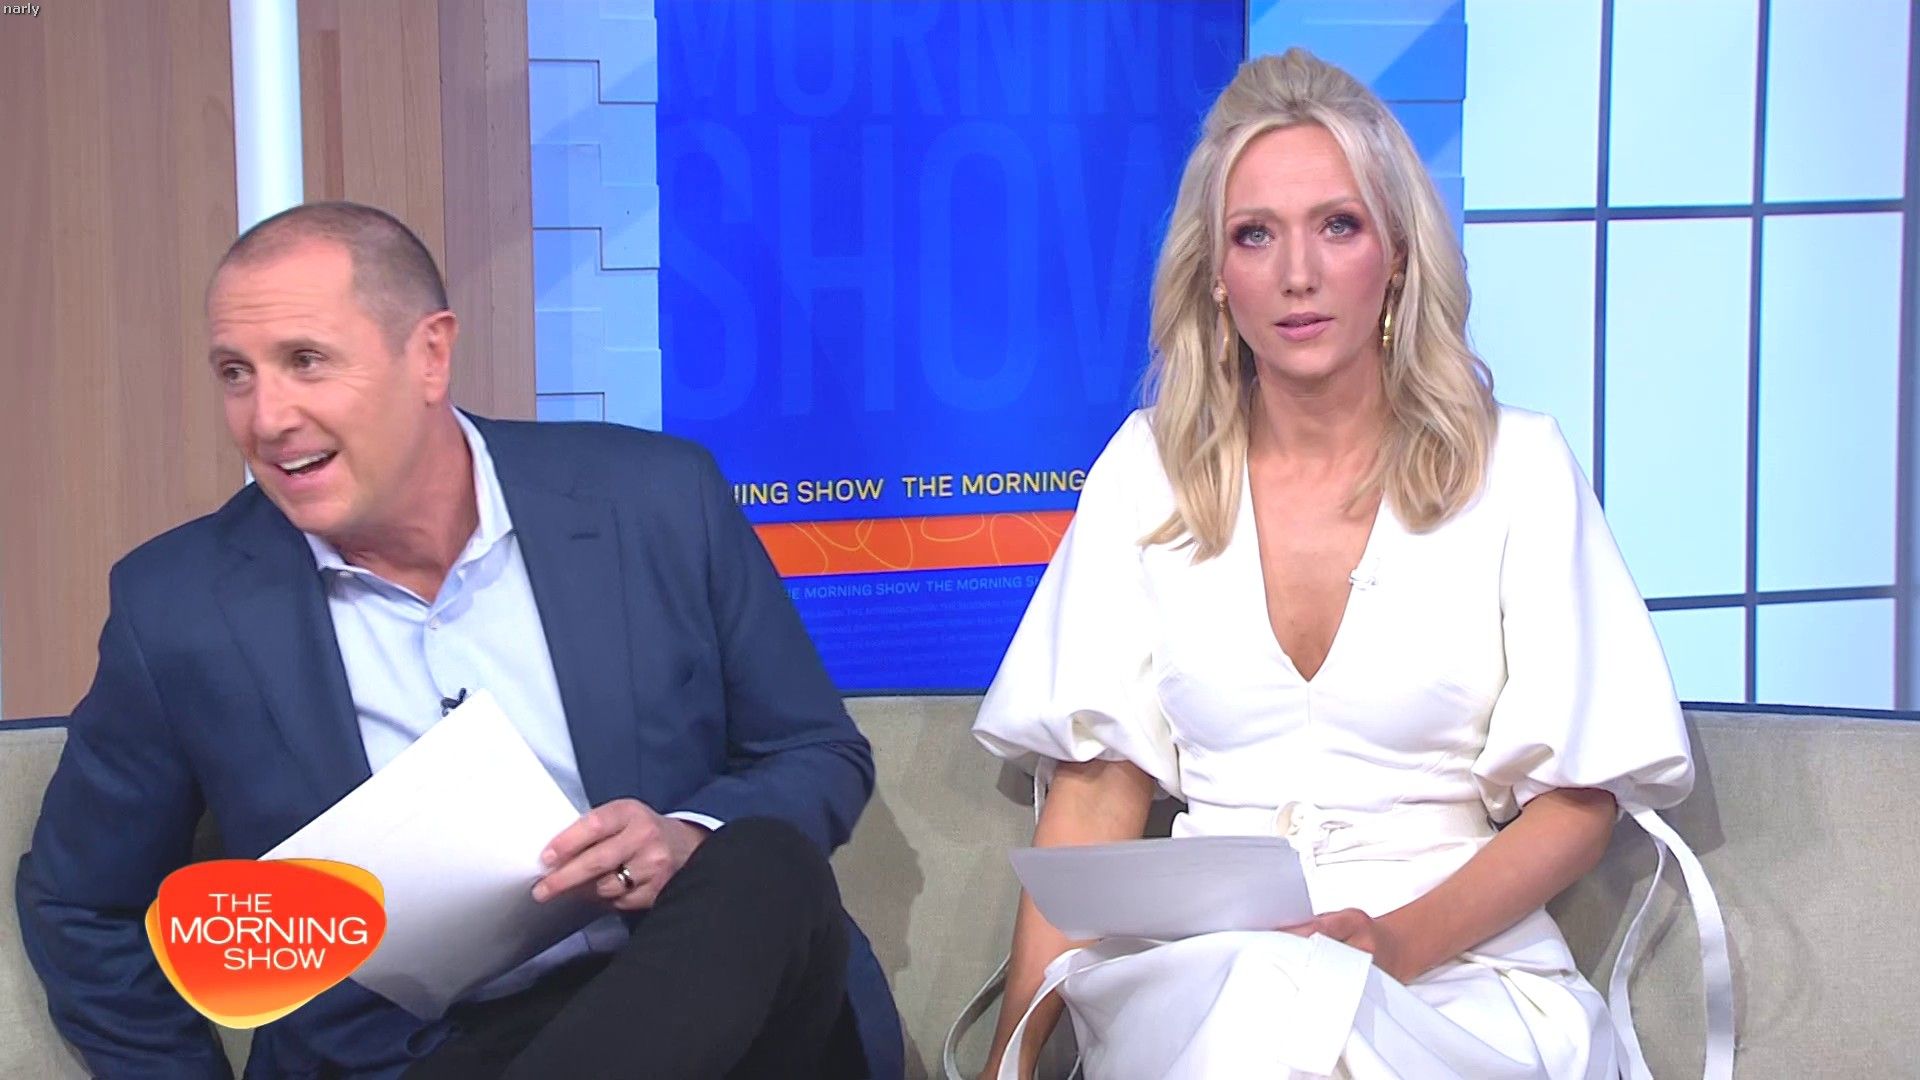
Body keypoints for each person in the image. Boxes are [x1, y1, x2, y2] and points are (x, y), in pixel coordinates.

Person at [971, 49, 1729, 1080]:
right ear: (1215, 273)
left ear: (1398, 255)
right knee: (1253, 1017)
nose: (1298, 273)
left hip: (1456, 968)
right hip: (1209, 977)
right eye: (1255, 234)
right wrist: (1009, 1064)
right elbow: (1096, 794)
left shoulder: (1520, 468)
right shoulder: (1147, 473)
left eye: (1338, 225)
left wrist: (1395, 944)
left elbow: (1576, 803)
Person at [15, 201, 904, 1080]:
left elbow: (812, 749)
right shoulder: (179, 607)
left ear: (430, 355)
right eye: (235, 373)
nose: (267, 416)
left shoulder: (655, 498)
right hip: (420, 1054)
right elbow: (81, 904)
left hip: (700, 1005)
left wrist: (688, 838)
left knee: (761, 863)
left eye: (306, 361)